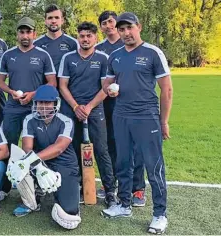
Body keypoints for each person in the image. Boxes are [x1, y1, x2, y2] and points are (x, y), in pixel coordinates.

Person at [101, 12, 173, 234]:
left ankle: (160, 214)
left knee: (153, 165)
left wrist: (164, 121)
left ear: (138, 27)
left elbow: (167, 89)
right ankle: (124, 204)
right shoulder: (115, 55)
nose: (125, 33)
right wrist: (109, 89)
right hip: (121, 116)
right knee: (123, 162)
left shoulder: (152, 53)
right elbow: (107, 81)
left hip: (146, 116)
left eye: (129, 28)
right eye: (121, 29)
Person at [58, 22, 117, 207]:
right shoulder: (68, 58)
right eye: (82, 36)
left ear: (95, 38)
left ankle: (109, 192)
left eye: (89, 36)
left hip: (94, 110)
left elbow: (105, 88)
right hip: (71, 109)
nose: (85, 39)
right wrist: (76, 107)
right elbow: (62, 86)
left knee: (101, 150)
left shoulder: (103, 58)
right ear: (78, 38)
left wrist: (89, 107)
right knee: (73, 150)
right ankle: (80, 188)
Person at [6, 85, 81, 229]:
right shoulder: (29, 119)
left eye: (47, 102)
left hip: (64, 165)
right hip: (39, 162)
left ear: (55, 103)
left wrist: (32, 161)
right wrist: (39, 167)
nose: (43, 106)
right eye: (40, 102)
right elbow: (27, 148)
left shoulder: (66, 121)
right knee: (17, 161)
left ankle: (63, 192)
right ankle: (31, 202)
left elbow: (59, 148)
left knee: (69, 215)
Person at [0, 16, 56, 196]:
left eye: (28, 32)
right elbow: (0, 81)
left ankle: (38, 186)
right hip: (13, 108)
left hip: (36, 109)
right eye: (21, 32)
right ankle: (5, 187)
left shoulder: (43, 55)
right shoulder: (8, 55)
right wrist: (12, 91)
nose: (25, 35)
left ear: (34, 34)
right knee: (8, 145)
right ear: (17, 34)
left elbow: (52, 82)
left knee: (36, 146)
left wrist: (33, 95)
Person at [95, 11, 146, 207]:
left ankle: (138, 188)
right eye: (104, 23)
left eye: (110, 22)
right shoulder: (99, 48)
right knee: (112, 144)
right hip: (107, 104)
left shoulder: (130, 43)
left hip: (132, 104)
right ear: (101, 27)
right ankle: (113, 183)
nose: (108, 26)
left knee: (135, 145)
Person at [34, 4, 78, 84]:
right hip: (43, 90)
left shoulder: (73, 43)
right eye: (50, 18)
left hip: (67, 91)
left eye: (57, 17)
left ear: (62, 20)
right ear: (45, 21)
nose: (53, 21)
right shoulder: (36, 44)